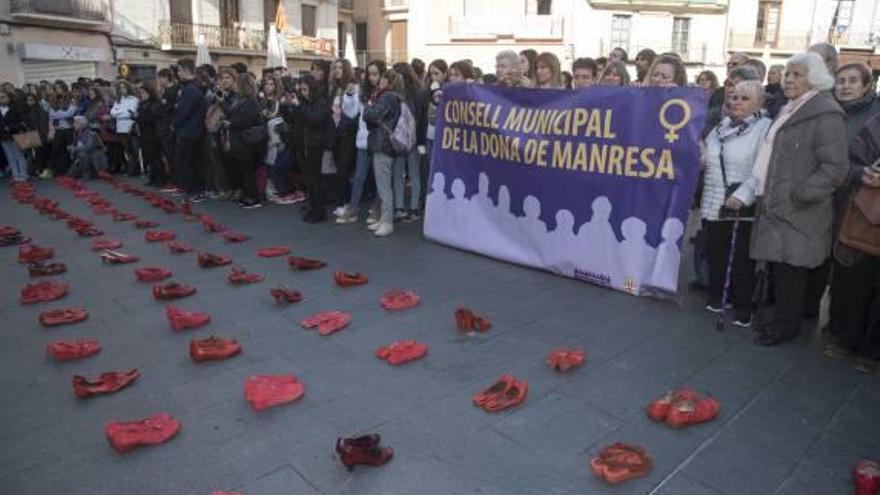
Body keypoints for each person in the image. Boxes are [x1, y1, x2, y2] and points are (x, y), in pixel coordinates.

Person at [724, 52, 848, 346]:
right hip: (777, 203)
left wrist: (800, 194)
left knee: (791, 269)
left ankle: (785, 327)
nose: (789, 79)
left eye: (797, 74)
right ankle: (780, 319)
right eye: (788, 74)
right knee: (780, 267)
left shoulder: (825, 115)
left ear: (815, 79)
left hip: (799, 208)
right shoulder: (793, 108)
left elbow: (835, 168)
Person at [700, 81, 772, 326]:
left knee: (742, 257)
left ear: (758, 103)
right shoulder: (720, 127)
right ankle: (722, 295)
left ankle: (744, 305)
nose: (735, 102)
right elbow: (707, 159)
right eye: (732, 97)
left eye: (743, 98)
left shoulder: (764, 129)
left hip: (741, 203)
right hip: (714, 201)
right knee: (717, 252)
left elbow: (762, 169)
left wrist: (742, 196)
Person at [824, 112, 880, 372]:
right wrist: (864, 173)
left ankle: (874, 353)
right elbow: (849, 164)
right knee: (857, 281)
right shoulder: (875, 124)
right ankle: (849, 340)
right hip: (867, 217)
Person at [337, 60, 386, 224]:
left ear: (382, 74)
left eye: (375, 74)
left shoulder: (387, 92)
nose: (372, 77)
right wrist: (349, 95)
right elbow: (351, 113)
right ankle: (353, 209)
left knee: (380, 177)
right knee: (359, 176)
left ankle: (377, 209)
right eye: (369, 73)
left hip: (380, 140)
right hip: (364, 141)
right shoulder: (362, 91)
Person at [281, 75, 330, 222]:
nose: (303, 93)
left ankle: (319, 211)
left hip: (315, 145)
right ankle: (313, 207)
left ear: (312, 88)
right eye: (301, 90)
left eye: (305, 89)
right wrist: (284, 106)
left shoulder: (320, 102)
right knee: (308, 179)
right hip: (302, 144)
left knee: (315, 179)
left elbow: (315, 119)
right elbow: (291, 119)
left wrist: (299, 106)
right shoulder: (303, 103)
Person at [362, 69, 404, 237]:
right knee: (383, 184)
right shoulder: (392, 97)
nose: (378, 81)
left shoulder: (387, 96)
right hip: (384, 143)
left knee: (384, 185)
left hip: (382, 144)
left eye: (381, 78)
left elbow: (372, 114)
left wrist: (368, 108)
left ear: (386, 81)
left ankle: (387, 221)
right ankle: (384, 219)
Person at [221, 73, 265, 209]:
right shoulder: (241, 99)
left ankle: (253, 198)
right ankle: (247, 195)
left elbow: (244, 121)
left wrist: (230, 123)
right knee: (242, 170)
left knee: (248, 172)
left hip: (246, 141)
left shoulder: (251, 101)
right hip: (239, 141)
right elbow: (233, 114)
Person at [172, 58, 208, 202]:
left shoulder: (190, 89)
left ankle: (194, 191)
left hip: (190, 131)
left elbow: (183, 112)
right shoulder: (193, 87)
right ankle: (194, 190)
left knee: (188, 162)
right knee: (192, 162)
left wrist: (174, 124)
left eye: (179, 70)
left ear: (186, 70)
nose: (178, 74)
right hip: (194, 130)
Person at [329, 59, 360, 213]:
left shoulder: (353, 87)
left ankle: (344, 203)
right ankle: (342, 201)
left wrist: (348, 95)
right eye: (335, 67)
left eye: (341, 67)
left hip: (348, 134)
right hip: (335, 134)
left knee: (343, 169)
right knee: (340, 169)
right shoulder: (334, 88)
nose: (337, 70)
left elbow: (354, 112)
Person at [834, 63, 880, 138]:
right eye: (841, 81)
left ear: (865, 86)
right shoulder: (825, 110)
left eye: (853, 81)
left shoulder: (877, 112)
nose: (846, 86)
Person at [135, 81, 165, 187]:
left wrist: (138, 117)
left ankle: (160, 179)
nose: (142, 94)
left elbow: (154, 119)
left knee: (156, 158)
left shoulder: (156, 103)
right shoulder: (143, 103)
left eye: (143, 92)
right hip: (144, 133)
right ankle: (153, 178)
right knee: (148, 157)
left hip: (154, 134)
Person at [110, 81, 140, 175]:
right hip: (121, 128)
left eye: (124, 87)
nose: (122, 89)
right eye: (120, 88)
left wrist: (119, 113)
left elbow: (130, 113)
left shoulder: (134, 99)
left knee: (134, 149)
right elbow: (112, 113)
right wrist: (121, 113)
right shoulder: (118, 100)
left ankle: (136, 170)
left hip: (130, 127)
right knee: (127, 150)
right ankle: (130, 169)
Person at [47, 85, 77, 178]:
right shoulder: (53, 101)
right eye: (56, 89)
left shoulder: (71, 100)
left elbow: (70, 113)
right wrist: (62, 114)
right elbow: (52, 114)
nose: (58, 90)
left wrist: (58, 114)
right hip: (58, 129)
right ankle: (54, 169)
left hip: (69, 128)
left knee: (69, 149)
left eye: (59, 88)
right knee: (55, 149)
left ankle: (72, 169)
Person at [0, 90, 28, 182]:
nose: (1, 99)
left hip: (15, 135)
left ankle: (23, 175)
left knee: (19, 155)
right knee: (10, 157)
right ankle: (15, 175)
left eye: (3, 97)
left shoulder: (15, 108)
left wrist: (10, 127)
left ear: (9, 98)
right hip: (3, 136)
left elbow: (22, 123)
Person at [22, 92, 49, 176]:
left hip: (38, 135)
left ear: (35, 100)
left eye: (31, 100)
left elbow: (43, 124)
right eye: (27, 100)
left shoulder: (40, 110)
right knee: (30, 154)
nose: (29, 102)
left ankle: (40, 170)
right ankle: (33, 170)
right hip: (30, 134)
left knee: (39, 155)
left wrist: (41, 135)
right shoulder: (27, 110)